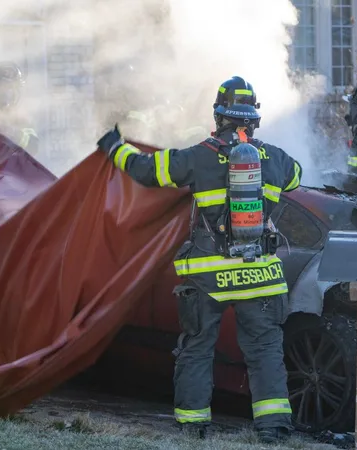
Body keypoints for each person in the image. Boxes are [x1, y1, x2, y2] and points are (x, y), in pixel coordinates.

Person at [96, 76, 301, 444]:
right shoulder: (275, 158)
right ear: (252, 118)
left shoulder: (199, 156)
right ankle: (274, 427)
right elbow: (296, 178)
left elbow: (145, 171)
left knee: (197, 347)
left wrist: (115, 148)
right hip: (260, 273)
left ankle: (193, 425)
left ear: (219, 115)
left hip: (209, 275)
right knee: (265, 348)